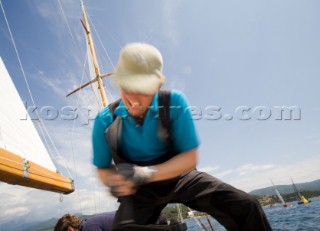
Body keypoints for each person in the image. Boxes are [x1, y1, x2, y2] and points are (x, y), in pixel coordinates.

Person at [92, 42, 272, 230]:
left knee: (246, 205)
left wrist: (145, 173)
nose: (134, 98)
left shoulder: (174, 103)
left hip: (180, 178)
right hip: (140, 192)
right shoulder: (104, 120)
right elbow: (102, 169)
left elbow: (189, 157)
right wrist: (113, 181)